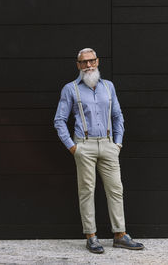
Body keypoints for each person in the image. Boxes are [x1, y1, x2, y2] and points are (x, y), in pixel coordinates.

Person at [54, 47, 144, 254]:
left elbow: (118, 116)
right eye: (84, 62)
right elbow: (59, 120)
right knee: (86, 191)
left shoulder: (108, 86)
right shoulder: (70, 89)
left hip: (108, 144)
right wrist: (73, 147)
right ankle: (91, 237)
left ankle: (120, 235)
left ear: (97, 61)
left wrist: (118, 143)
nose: (88, 65)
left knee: (116, 190)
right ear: (78, 65)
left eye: (91, 61)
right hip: (84, 145)